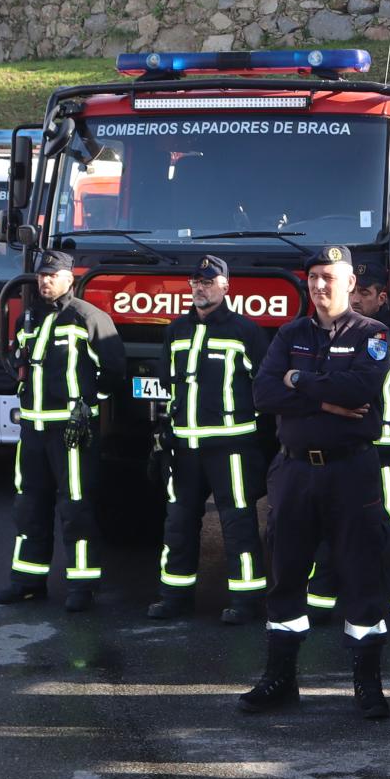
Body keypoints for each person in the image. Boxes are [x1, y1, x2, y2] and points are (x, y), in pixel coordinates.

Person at [241, 246, 390, 719]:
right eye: (313, 277)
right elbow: (263, 394)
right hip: (294, 472)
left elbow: (359, 389)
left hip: (351, 471)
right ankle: (280, 679)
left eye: (329, 276)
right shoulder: (290, 333)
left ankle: (368, 686)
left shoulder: (372, 333)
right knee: (285, 574)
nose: (320, 285)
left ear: (350, 283)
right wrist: (323, 398)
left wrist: (296, 380)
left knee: (362, 576)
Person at [304, 266, 390, 638]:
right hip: (341, 449)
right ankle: (317, 604)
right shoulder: (330, 334)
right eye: (353, 291)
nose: (357, 299)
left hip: (387, 453)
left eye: (365, 292)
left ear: (382, 297)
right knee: (331, 523)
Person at [0, 249, 127, 612]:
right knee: (28, 506)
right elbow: (20, 361)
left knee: (76, 508)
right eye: (42, 275)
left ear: (70, 278)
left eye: (53, 276)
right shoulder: (29, 318)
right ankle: (27, 582)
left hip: (71, 432)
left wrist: (89, 404)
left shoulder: (89, 317)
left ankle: (82, 587)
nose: (45, 281)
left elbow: (114, 370)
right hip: (32, 429)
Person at [152, 256, 273, 624]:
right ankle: (174, 598)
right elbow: (168, 383)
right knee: (178, 525)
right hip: (184, 449)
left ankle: (246, 601)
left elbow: (265, 388)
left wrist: (260, 443)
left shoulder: (246, 331)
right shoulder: (176, 330)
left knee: (238, 526)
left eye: (207, 281)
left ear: (225, 287)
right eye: (195, 282)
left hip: (231, 449)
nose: (200, 288)